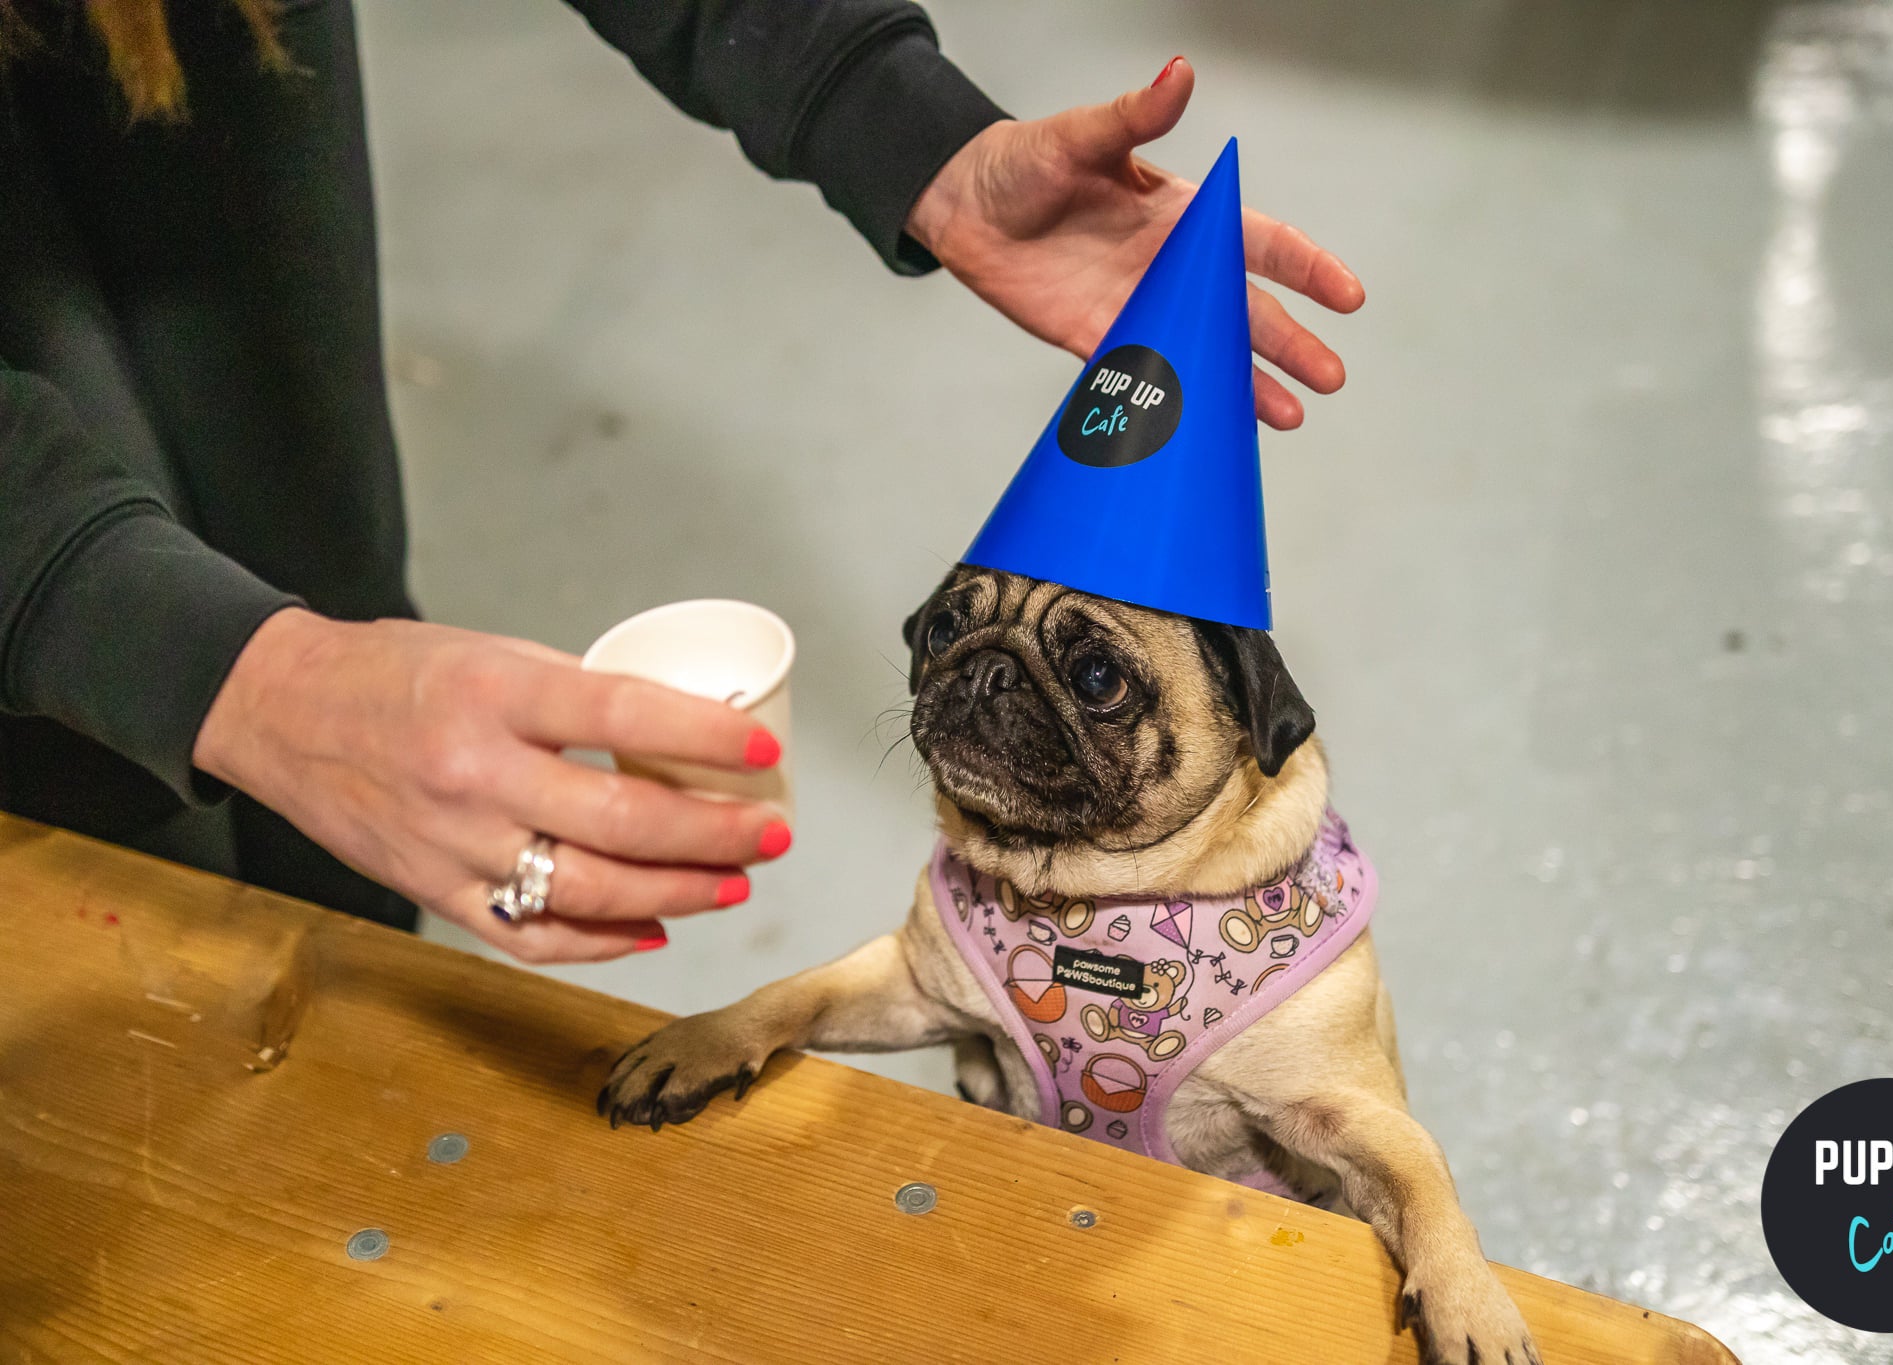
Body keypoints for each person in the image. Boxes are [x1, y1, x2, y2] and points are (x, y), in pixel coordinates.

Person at [0, 0, 1363, 964]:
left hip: (218, 122)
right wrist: (236, 677)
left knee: (324, 788)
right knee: (118, 932)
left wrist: (898, 125)